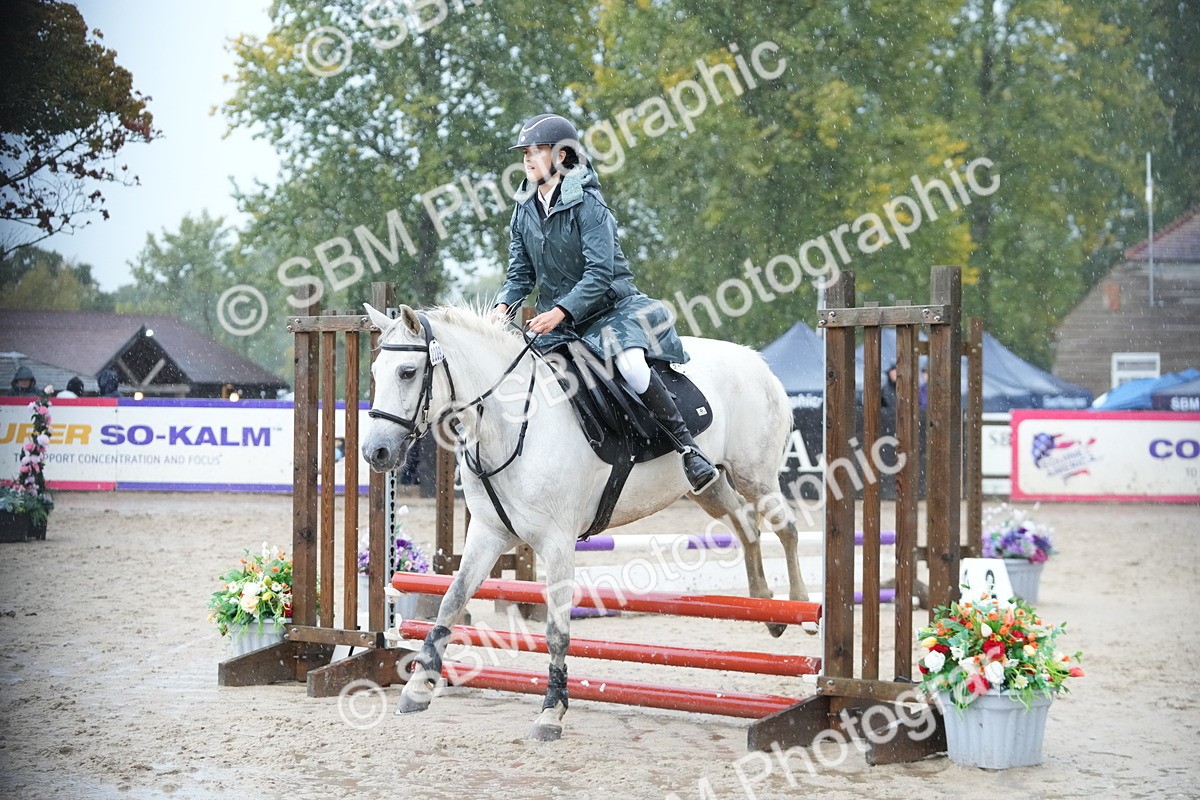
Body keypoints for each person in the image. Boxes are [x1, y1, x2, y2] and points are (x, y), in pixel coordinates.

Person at [493, 113, 718, 494]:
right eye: (525, 152)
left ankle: (688, 449)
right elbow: (520, 274)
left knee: (630, 364)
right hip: (559, 320)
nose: (527, 158)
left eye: (536, 150)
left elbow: (598, 274)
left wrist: (561, 310)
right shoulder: (523, 208)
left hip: (611, 309)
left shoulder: (589, 206)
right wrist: (501, 308)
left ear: (562, 156)